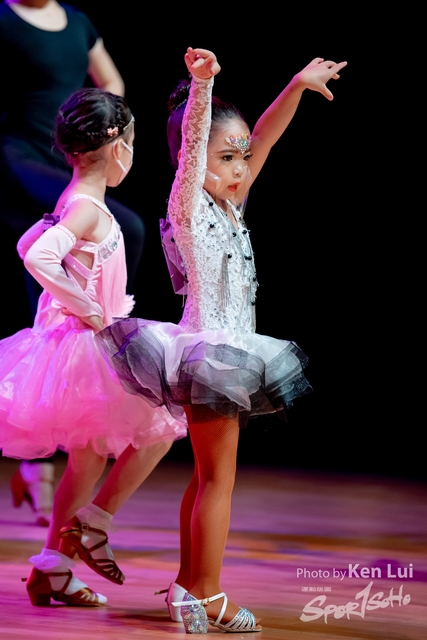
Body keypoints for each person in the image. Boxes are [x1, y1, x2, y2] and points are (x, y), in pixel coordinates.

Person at [97, 47, 347, 632]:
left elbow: (265, 137)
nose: (240, 168)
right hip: (209, 356)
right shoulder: (190, 205)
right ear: (192, 160)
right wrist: (202, 86)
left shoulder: (233, 203)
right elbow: (195, 145)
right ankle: (205, 592)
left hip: (231, 353)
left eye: (244, 158)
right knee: (219, 481)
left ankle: (189, 585)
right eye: (226, 157)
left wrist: (296, 86)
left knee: (209, 478)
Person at [0, 87, 187, 606]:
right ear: (119, 146)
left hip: (84, 345)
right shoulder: (87, 208)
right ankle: (93, 523)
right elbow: (38, 256)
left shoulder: (75, 202)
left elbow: (28, 242)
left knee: (87, 462)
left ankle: (53, 565)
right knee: (162, 426)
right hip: (89, 345)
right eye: (134, 144)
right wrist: (88, 308)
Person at [0, 0, 146, 525]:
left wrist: (103, 121)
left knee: (62, 264)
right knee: (117, 228)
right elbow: (37, 253)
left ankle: (46, 503)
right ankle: (67, 529)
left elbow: (112, 81)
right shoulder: (4, 20)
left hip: (77, 148)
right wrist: (88, 308)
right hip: (22, 152)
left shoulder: (78, 21)